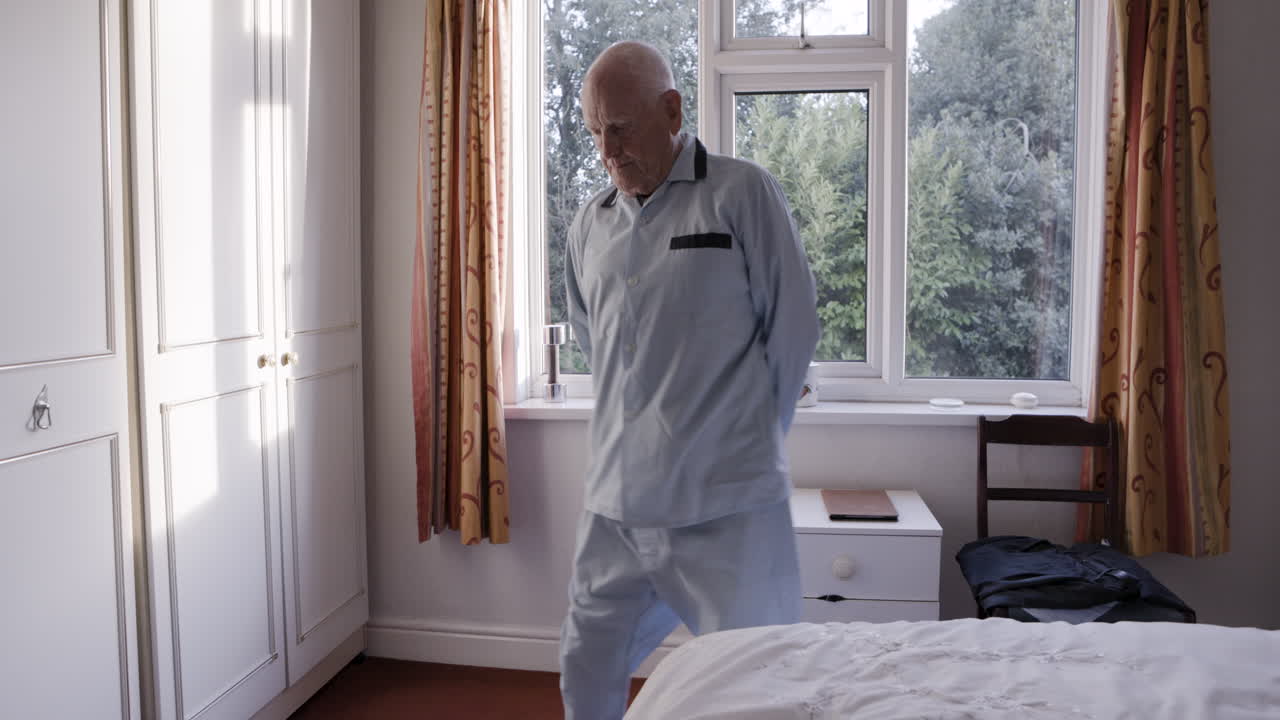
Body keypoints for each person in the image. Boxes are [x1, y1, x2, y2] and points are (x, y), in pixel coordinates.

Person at [558, 40, 820, 720]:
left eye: (620, 128)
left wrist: (748, 441)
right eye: (594, 132)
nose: (607, 150)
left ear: (671, 110)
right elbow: (596, 341)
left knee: (759, 681)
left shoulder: (741, 192)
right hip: (615, 504)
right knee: (586, 663)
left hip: (728, 505)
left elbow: (791, 331)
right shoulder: (590, 223)